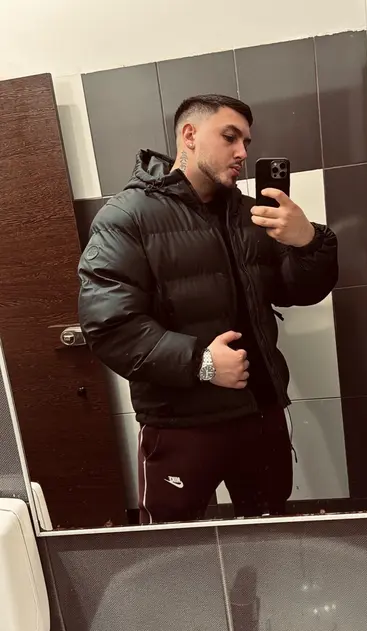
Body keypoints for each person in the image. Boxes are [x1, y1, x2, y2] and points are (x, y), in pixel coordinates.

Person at [78, 94, 338, 524]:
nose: (242, 152)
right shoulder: (126, 217)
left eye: (246, 142)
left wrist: (308, 241)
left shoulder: (250, 214)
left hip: (260, 413)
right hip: (181, 424)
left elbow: (299, 291)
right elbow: (109, 326)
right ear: (190, 135)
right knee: (175, 544)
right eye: (230, 137)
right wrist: (202, 363)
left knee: (271, 537)